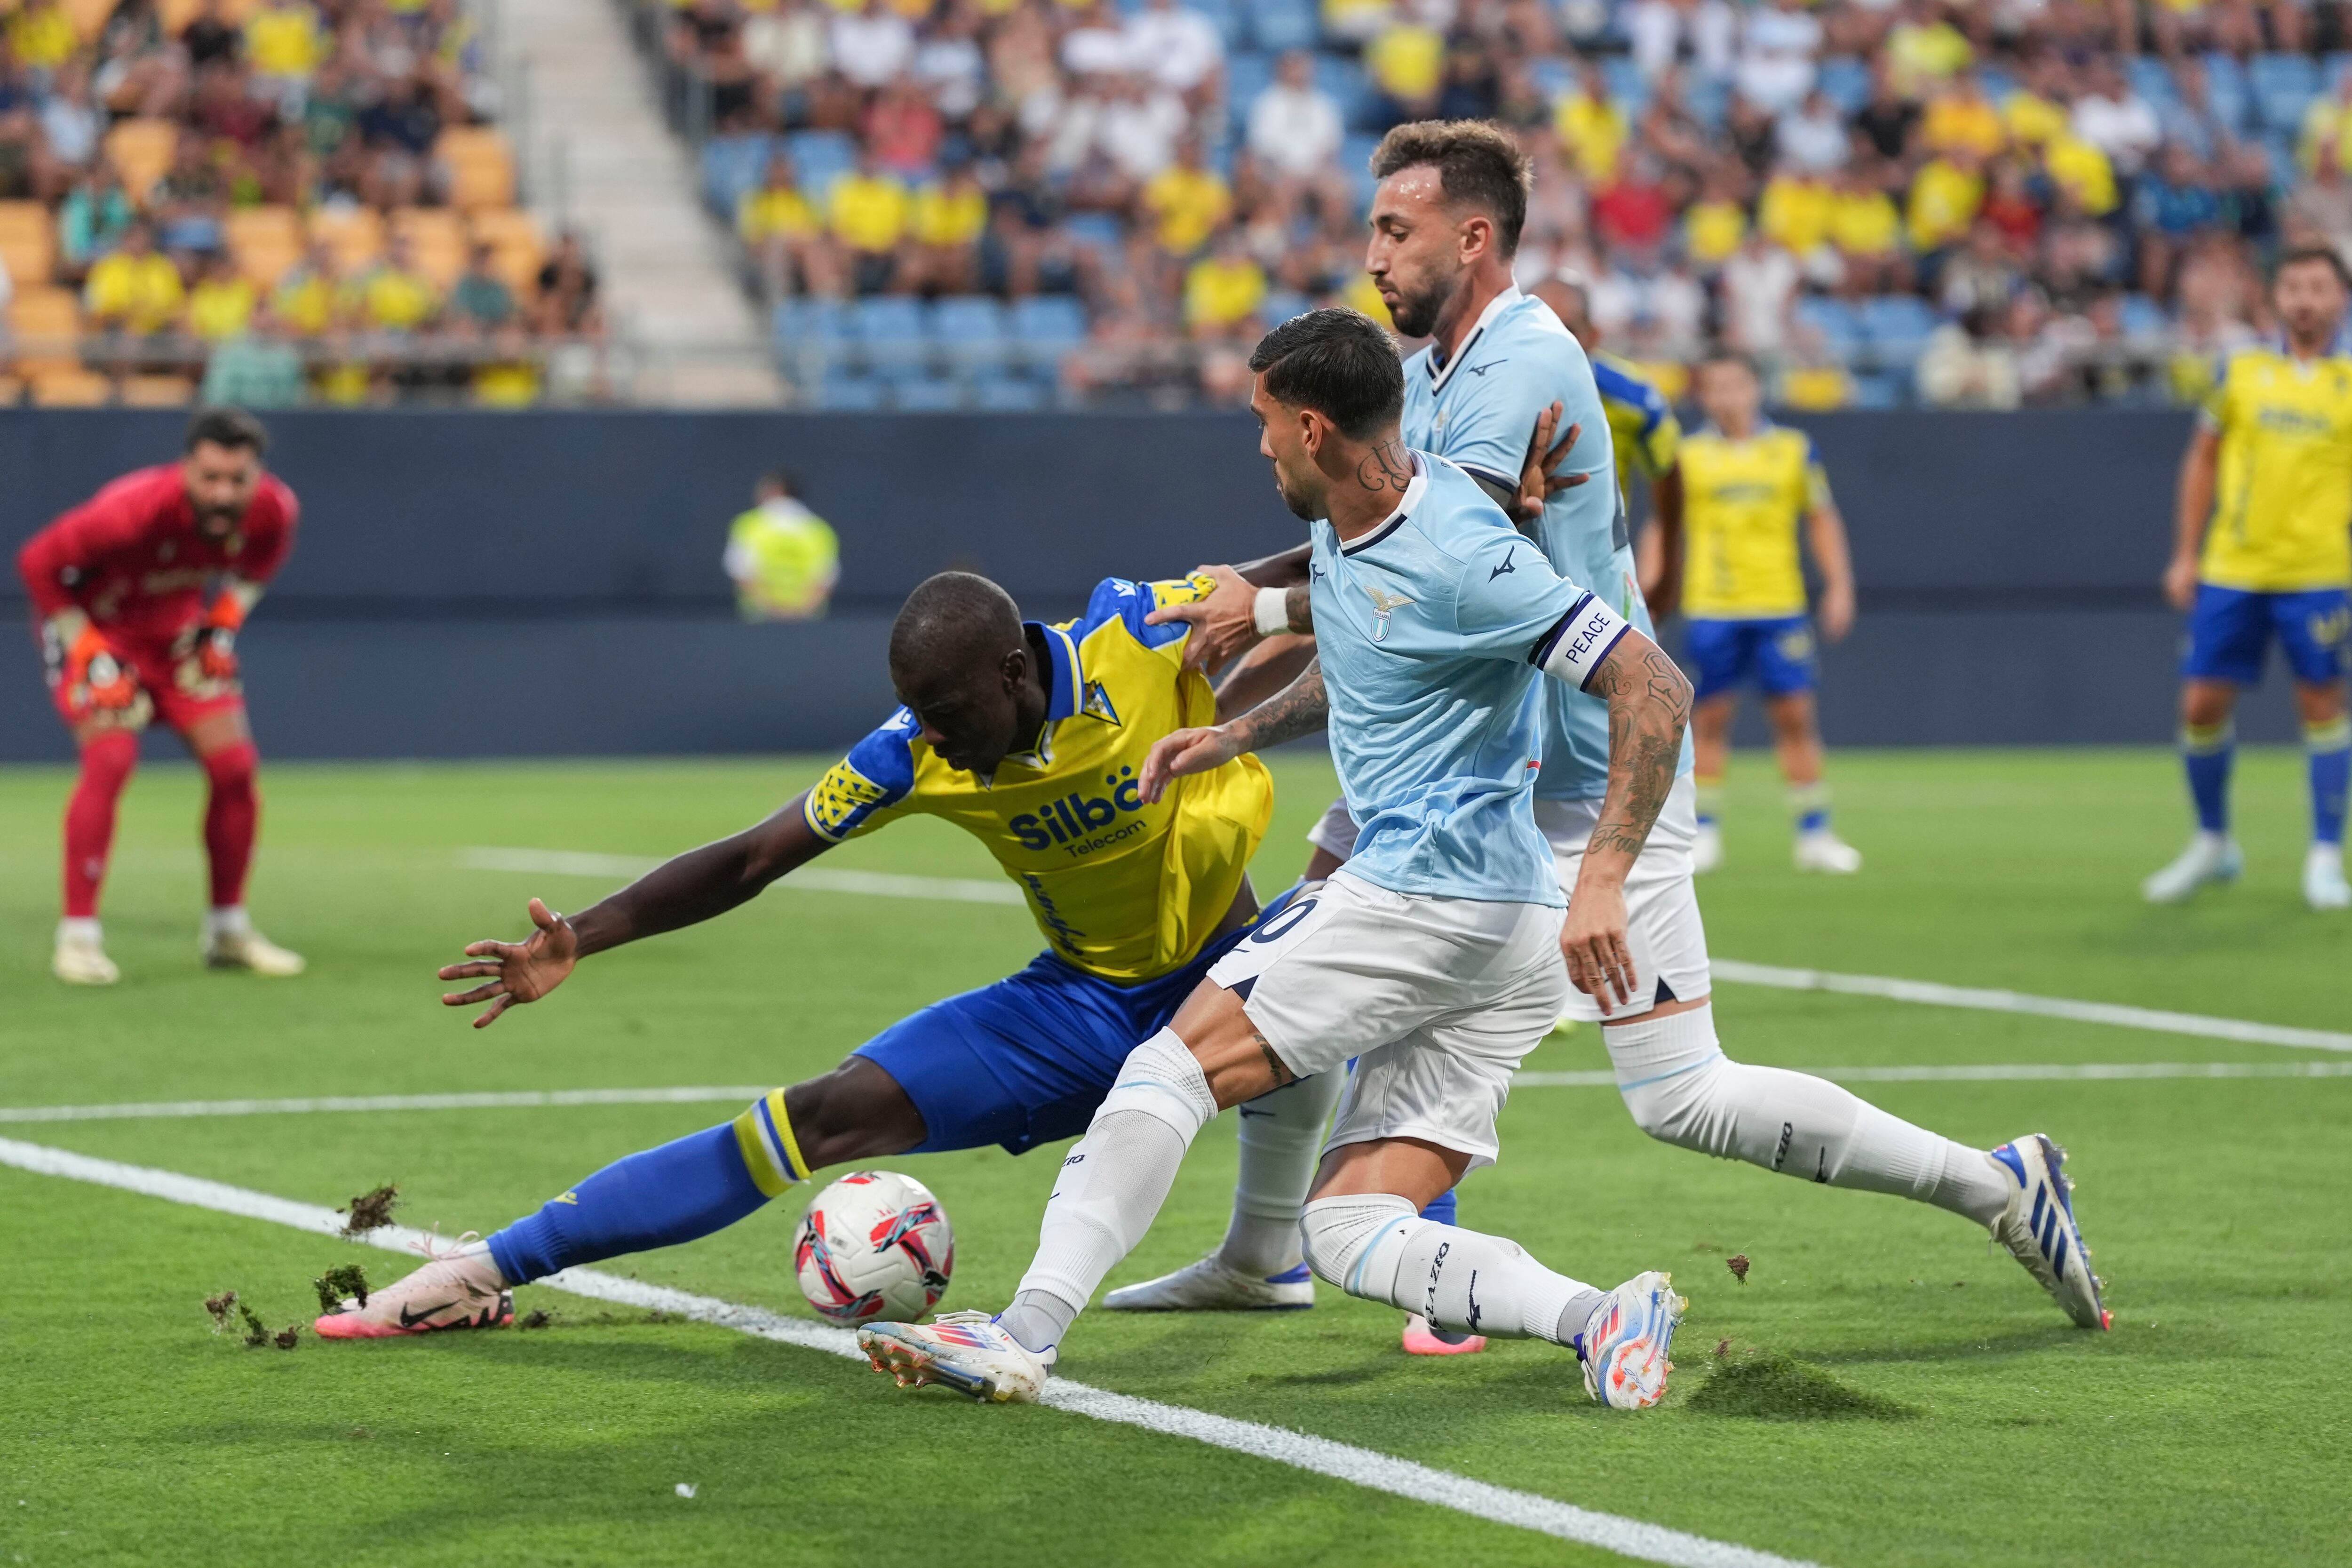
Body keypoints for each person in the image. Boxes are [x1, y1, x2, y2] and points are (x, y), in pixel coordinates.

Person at [1126, 125, 2107, 1349]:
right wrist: (1249, 671)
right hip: (1483, 767)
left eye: (1395, 229)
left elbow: (1434, 564)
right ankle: (1292, 1251)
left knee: (1667, 1087)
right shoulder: (1425, 375)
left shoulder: (1524, 357)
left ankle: (1993, 1186)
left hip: (1586, 774)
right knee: (1335, 939)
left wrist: (1261, 607)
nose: (1371, 252)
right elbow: (1377, 564)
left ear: (1471, 237)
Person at [857, 308, 1696, 1409]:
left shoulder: (1465, 549)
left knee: (1167, 1067)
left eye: (1263, 422)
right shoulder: (1377, 515)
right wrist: (1236, 732)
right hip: (1504, 931)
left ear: (1310, 428)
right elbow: (1371, 640)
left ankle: (1021, 1335)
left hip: (1424, 892)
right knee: (1349, 1229)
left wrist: (1604, 880)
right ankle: (1601, 1317)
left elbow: (1654, 685)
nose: (1256, 446)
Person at [314, 569, 1285, 1337]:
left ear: (1010, 673)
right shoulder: (911, 753)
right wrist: (586, 935)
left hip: (1232, 976)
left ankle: (1279, 1255)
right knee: (819, 1113)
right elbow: (751, 858)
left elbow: (1329, 559)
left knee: (1351, 968)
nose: (934, 736)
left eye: (947, 713)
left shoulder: (1141, 628)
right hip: (1078, 1004)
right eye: (917, 713)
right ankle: (482, 1271)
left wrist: (1271, 604)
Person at [16, 408, 305, 985]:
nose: (223, 493)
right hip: (99, 630)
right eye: (210, 478)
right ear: (187, 469)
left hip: (176, 639)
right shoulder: (132, 511)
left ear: (256, 474)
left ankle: (228, 931)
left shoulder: (272, 509)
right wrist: (90, 653)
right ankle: (78, 940)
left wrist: (223, 623)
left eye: (237, 479)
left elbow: (260, 565)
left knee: (234, 767)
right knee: (111, 759)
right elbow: (39, 565)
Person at [2146, 247, 2352, 911]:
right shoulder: (2239, 370)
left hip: (2317, 571)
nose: (2304, 299)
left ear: (2340, 299)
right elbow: (2201, 459)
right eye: (2293, 287)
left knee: (2321, 705)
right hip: (2233, 568)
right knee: (2200, 707)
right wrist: (2185, 554)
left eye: (2317, 287)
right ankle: (2212, 842)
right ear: (2273, 298)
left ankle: (2325, 858)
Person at [1677, 350, 1863, 874]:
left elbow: (1821, 518)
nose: (1726, 397)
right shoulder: (1688, 455)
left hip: (1779, 603)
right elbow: (1665, 528)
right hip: (1711, 604)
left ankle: (1814, 834)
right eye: (1715, 387)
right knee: (1709, 717)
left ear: (1755, 389)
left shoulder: (1793, 449)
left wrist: (1839, 585)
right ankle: (1703, 833)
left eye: (1735, 385)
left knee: (1795, 716)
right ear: (1703, 396)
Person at [1529, 269, 1686, 619]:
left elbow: (1669, 476)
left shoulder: (1633, 398)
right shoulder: (1489, 392)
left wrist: (1669, 574)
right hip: (1514, 566)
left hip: (1601, 573)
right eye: (1538, 326)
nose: (1552, 340)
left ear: (1593, 335)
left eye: (1567, 328)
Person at [723, 468, 840, 621]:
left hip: (759, 621)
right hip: (806, 622)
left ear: (777, 489)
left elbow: (741, 574)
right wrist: (798, 612)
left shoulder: (749, 525)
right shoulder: (819, 529)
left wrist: (773, 610)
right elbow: (825, 581)